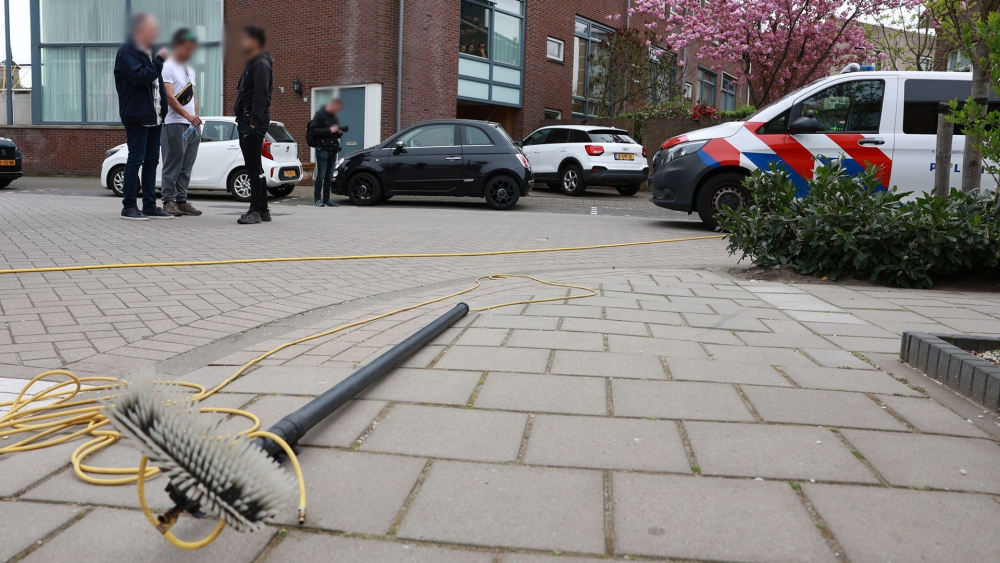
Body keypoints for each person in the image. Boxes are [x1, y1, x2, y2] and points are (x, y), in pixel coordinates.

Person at [113, 13, 172, 220]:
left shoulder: (151, 52)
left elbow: (157, 86)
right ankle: (128, 206)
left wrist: (163, 110)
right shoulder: (127, 51)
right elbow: (140, 78)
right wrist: (159, 61)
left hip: (154, 116)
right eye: (152, 29)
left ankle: (149, 205)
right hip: (137, 116)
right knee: (136, 159)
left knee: (152, 161)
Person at [160, 28, 203, 217]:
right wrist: (187, 115)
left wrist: (196, 118)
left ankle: (181, 200)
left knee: (187, 165)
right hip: (174, 122)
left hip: (191, 125)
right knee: (173, 163)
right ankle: (168, 201)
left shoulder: (190, 69)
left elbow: (193, 96)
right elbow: (169, 97)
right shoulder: (167, 66)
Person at [233, 25, 274, 225]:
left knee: (253, 168)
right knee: (255, 166)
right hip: (248, 120)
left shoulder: (260, 63)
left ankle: (255, 210)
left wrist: (253, 122)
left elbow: (261, 94)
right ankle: (263, 210)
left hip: (251, 122)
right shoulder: (255, 62)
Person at [307, 98, 344, 207]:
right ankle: (317, 200)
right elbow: (313, 131)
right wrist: (329, 130)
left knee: (329, 176)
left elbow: (335, 134)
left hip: (333, 149)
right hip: (322, 149)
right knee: (321, 175)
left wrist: (339, 133)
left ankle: (327, 200)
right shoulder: (319, 115)